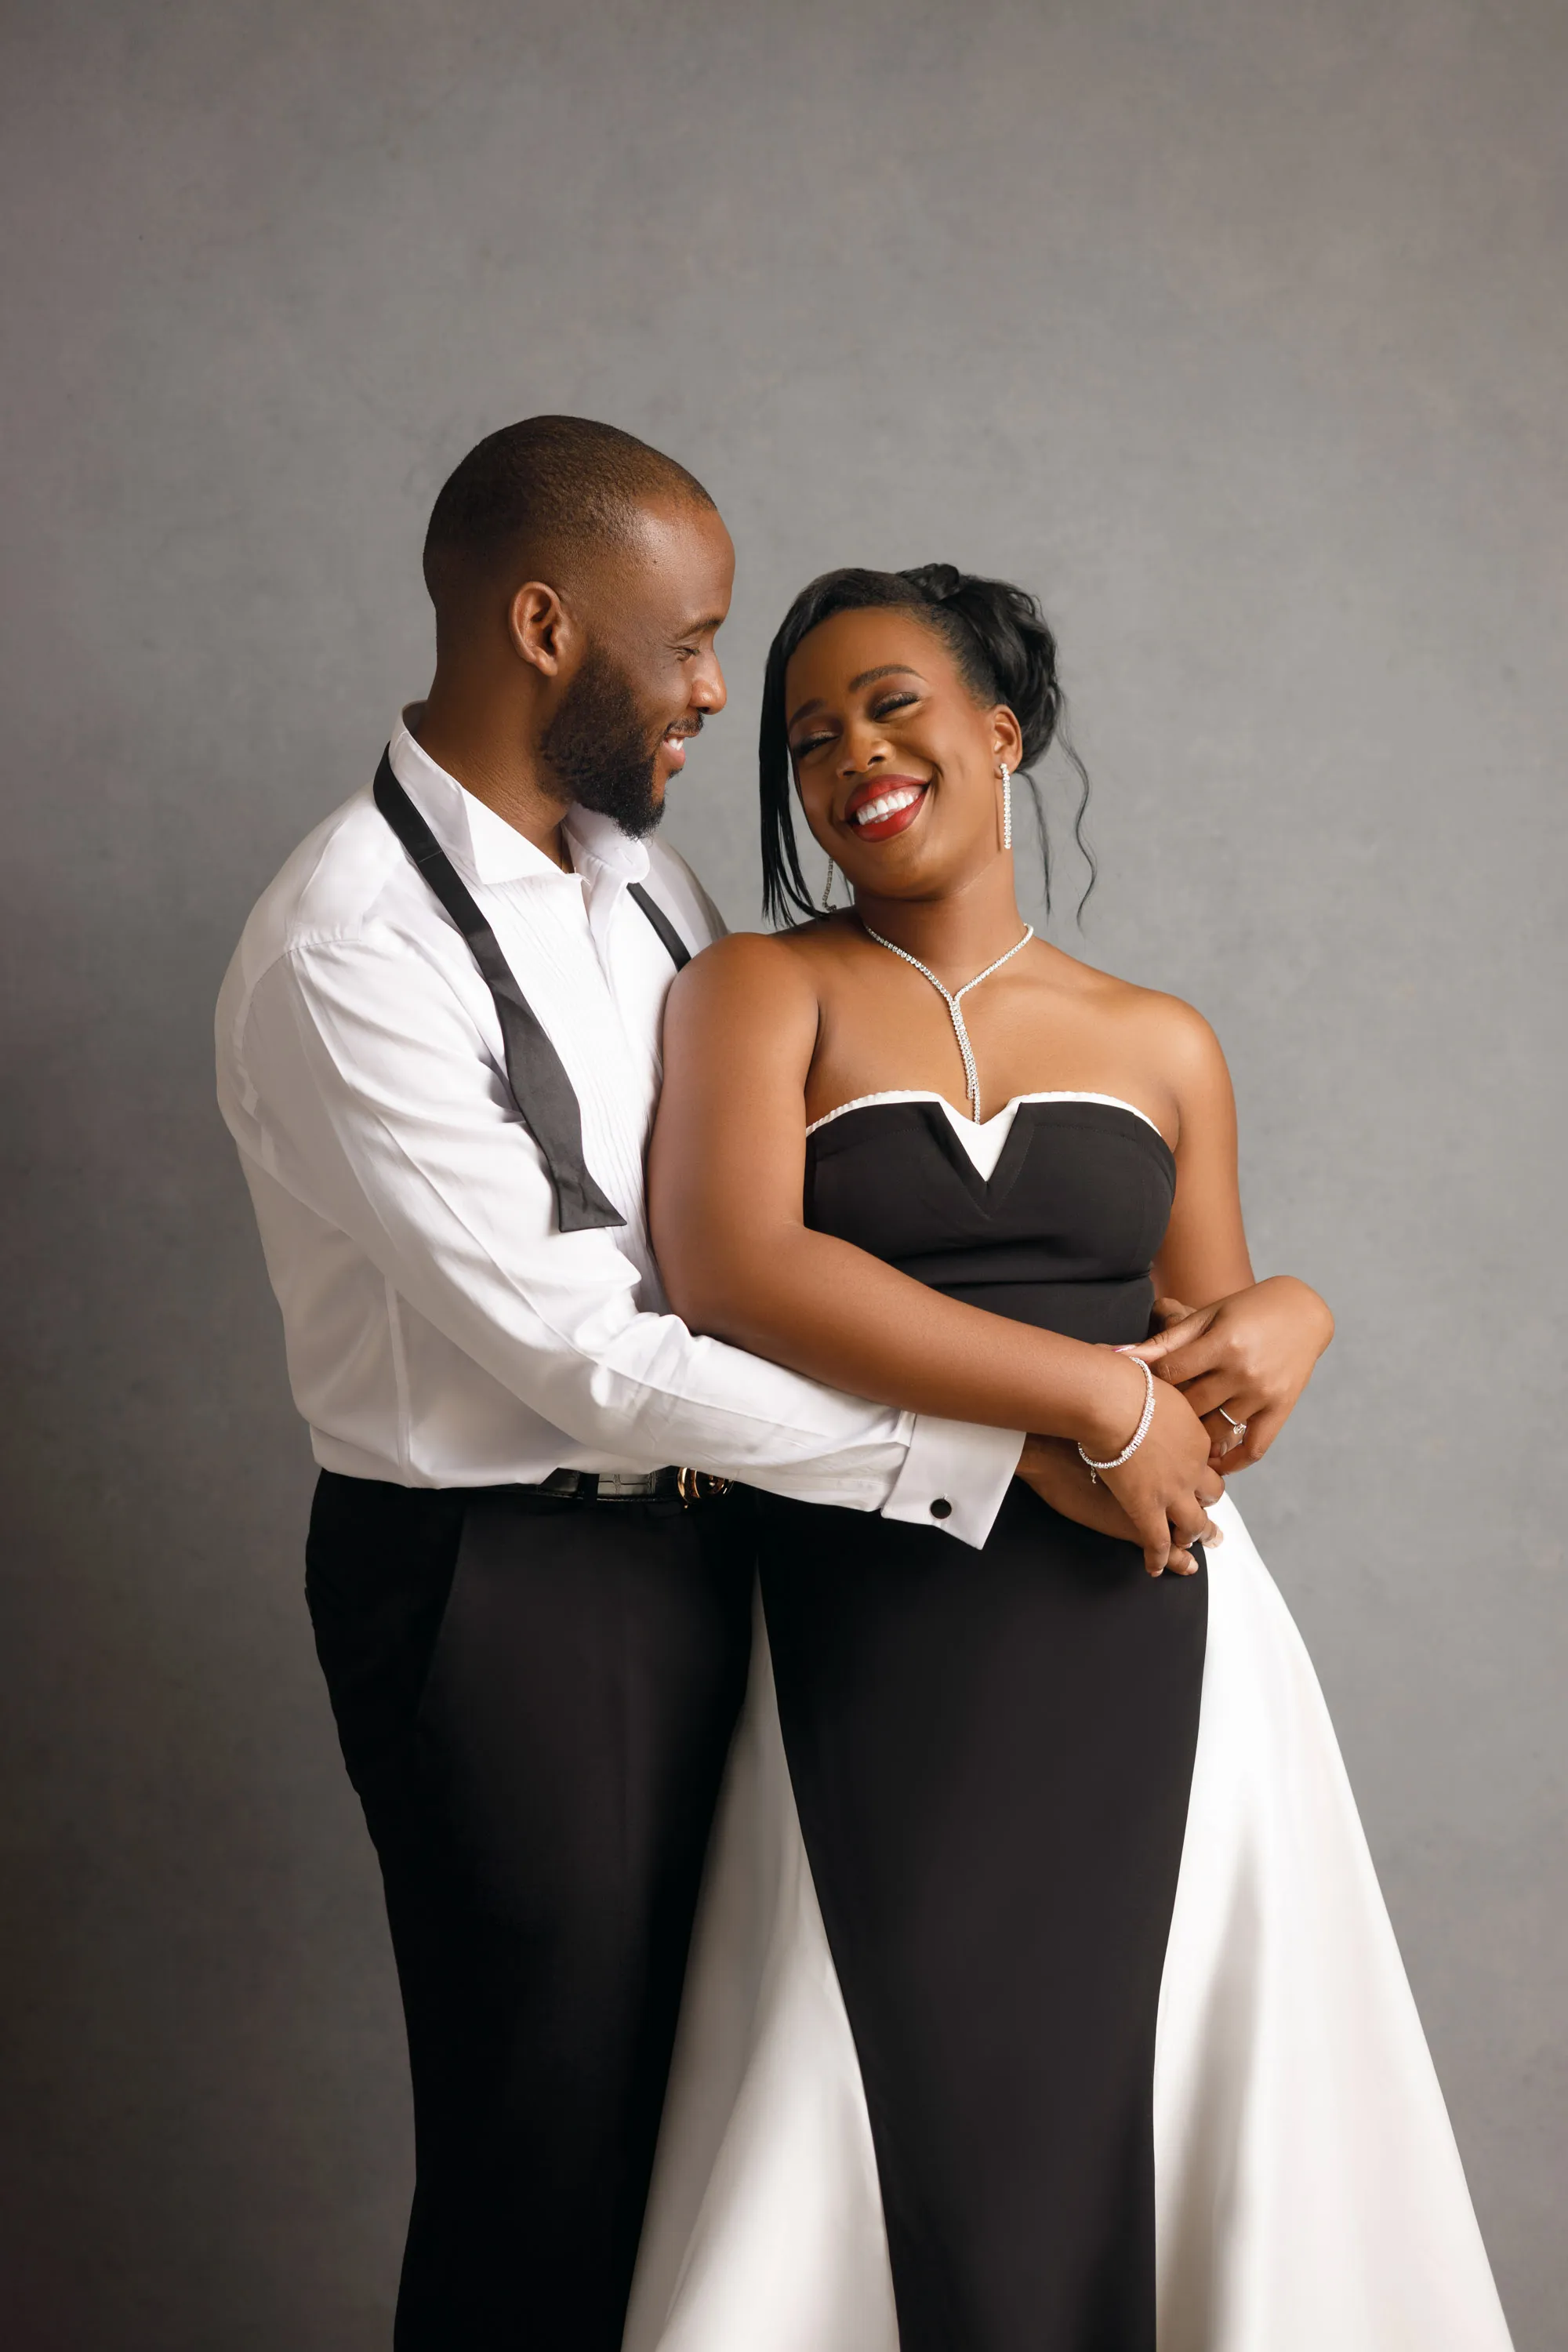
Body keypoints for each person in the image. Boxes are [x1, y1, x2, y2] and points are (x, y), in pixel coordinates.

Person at [218, 418, 1236, 2347]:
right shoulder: (351, 947)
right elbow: (592, 1353)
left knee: (724, 2147)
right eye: (688, 645)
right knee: (550, 2162)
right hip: (509, 1590)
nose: (713, 687)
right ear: (540, 626)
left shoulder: (653, 897)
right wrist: (1022, 1435)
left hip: (736, 1565)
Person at [629, 564, 1515, 2352]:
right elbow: (737, 1272)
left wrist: (1296, 1313)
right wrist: (1082, 1397)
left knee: (1170, 2077)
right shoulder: (755, 990)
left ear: (999, 733)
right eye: (808, 737)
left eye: (890, 706)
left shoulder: (1161, 1041)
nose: (848, 756)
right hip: (872, 1620)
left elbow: (1211, 1377)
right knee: (911, 2098)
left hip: (1153, 1626)